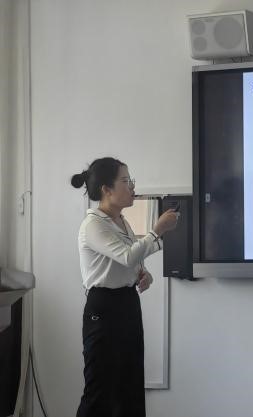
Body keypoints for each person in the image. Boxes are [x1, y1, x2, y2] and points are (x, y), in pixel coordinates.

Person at [71, 157, 178, 417]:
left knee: (130, 383)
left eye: (131, 181)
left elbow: (130, 260)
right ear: (106, 189)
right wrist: (157, 231)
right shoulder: (93, 225)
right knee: (100, 388)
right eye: (126, 181)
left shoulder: (121, 221)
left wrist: (143, 273)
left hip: (127, 303)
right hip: (103, 308)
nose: (132, 187)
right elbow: (128, 255)